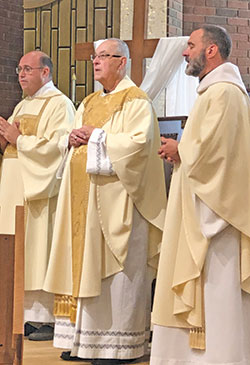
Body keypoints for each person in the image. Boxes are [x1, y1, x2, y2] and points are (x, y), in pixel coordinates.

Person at [43, 38, 166, 364]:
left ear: (122, 62)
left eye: (103, 57)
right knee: (84, 267)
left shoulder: (137, 101)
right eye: (95, 57)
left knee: (117, 274)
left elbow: (138, 146)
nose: (96, 62)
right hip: (84, 202)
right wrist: (69, 139)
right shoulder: (88, 102)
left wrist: (95, 137)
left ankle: (118, 347)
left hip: (119, 204)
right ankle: (85, 343)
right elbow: (71, 136)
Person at [150, 24, 250, 365]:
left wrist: (183, 150)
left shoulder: (224, 93)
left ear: (211, 50)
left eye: (190, 45)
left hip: (215, 218)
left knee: (215, 291)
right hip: (199, 205)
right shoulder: (214, 92)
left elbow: (220, 157)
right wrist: (183, 152)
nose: (184, 52)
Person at [0, 51, 75, 341]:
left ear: (46, 72)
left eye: (28, 69)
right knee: (16, 245)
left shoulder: (61, 105)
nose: (21, 74)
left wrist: (19, 140)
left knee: (38, 247)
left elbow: (58, 148)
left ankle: (44, 317)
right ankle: (22, 314)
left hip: (39, 190)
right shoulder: (22, 105)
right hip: (15, 184)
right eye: (19, 69)